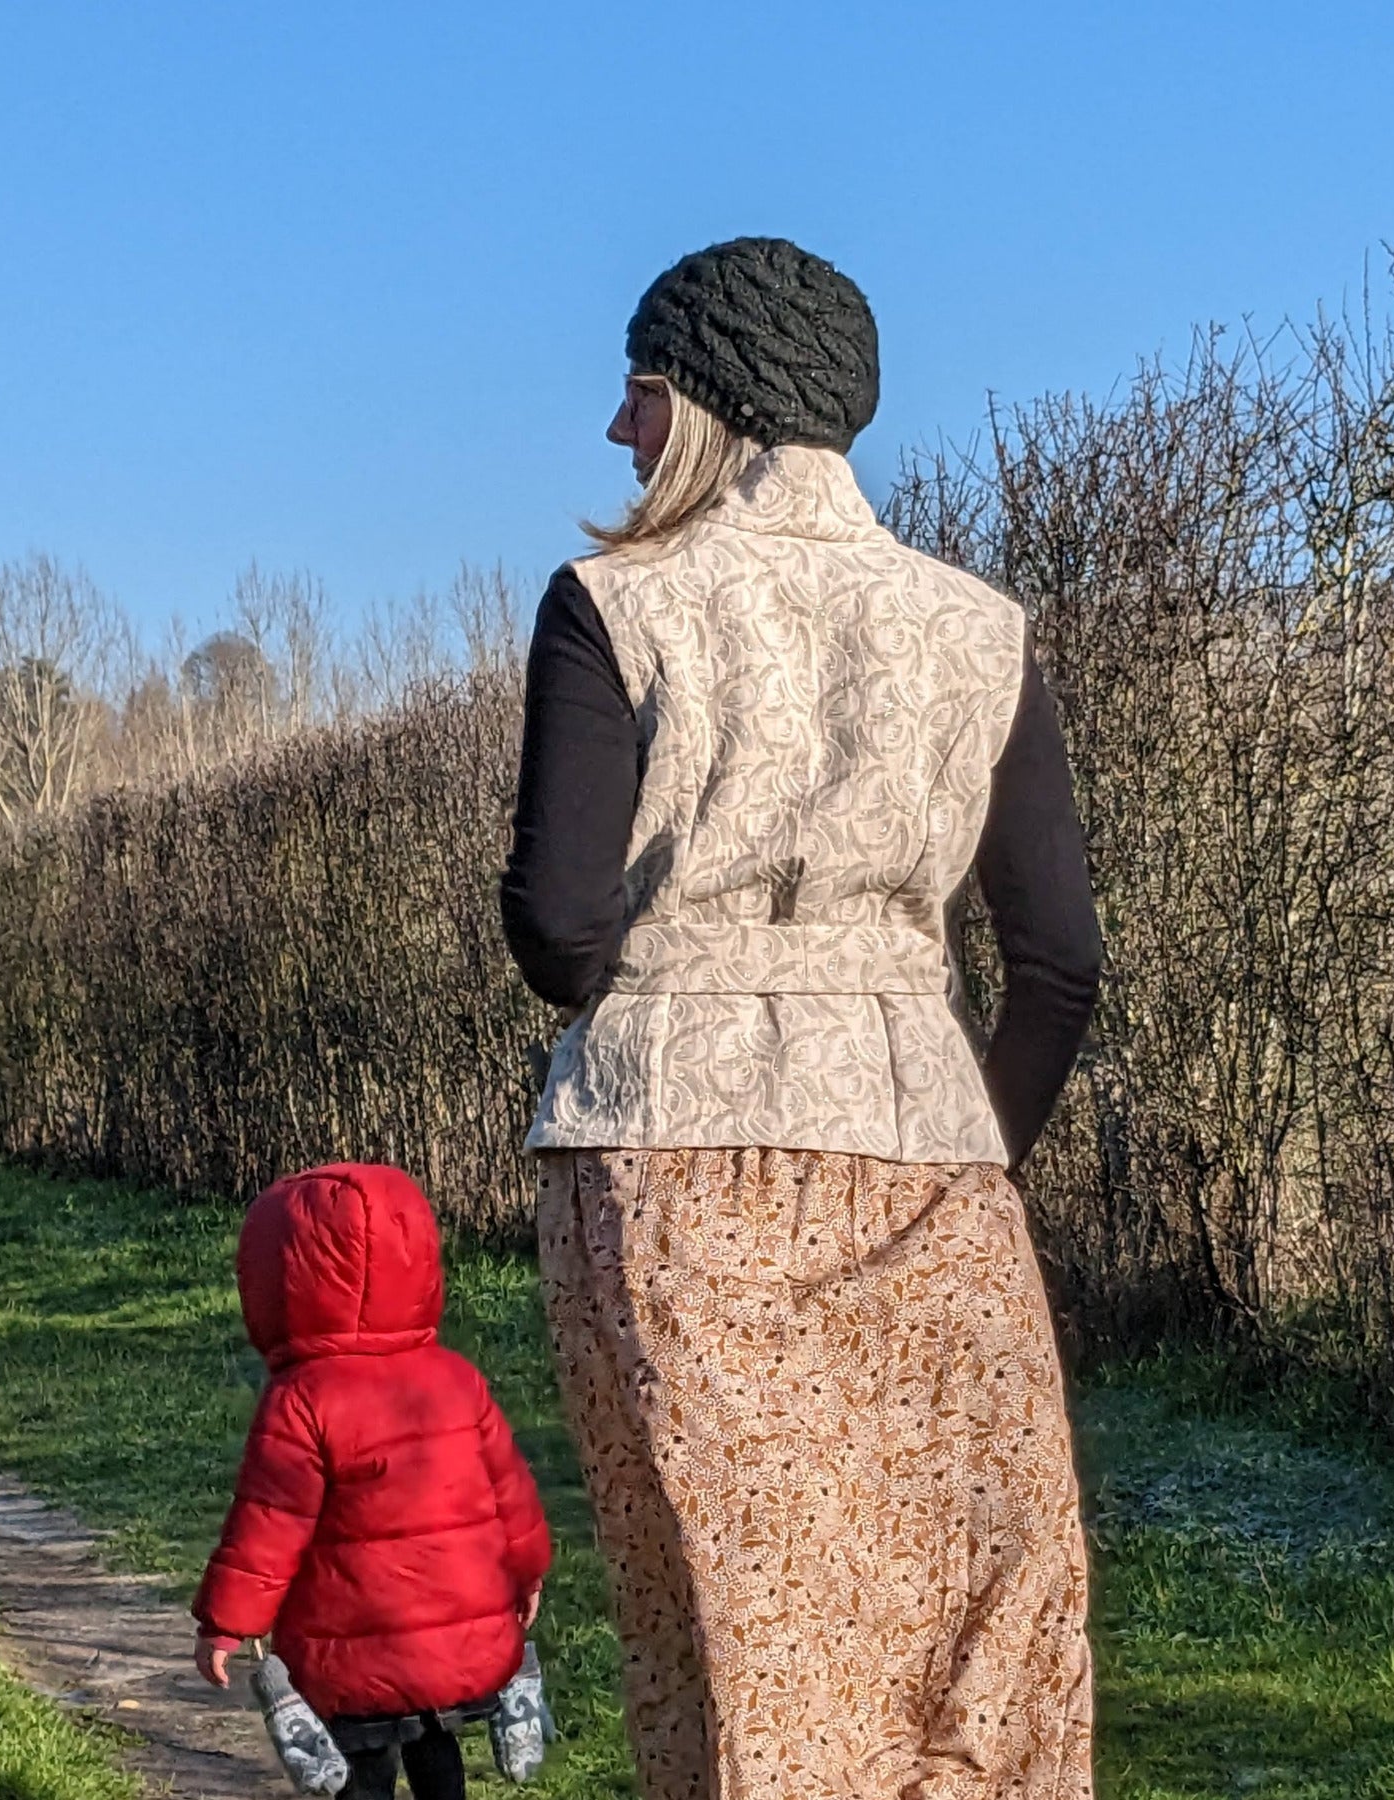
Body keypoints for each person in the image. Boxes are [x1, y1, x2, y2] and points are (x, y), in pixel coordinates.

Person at [500, 236, 1100, 1799]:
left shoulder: (612, 606)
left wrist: (674, 954)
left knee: (742, 1636)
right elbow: (1059, 968)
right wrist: (972, 1156)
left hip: (666, 1163)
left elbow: (562, 933)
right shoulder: (982, 629)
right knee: (976, 1629)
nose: (619, 432)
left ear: (705, 401)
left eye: (636, 390)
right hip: (929, 1167)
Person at [190, 1162, 553, 1800]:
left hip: (349, 1649)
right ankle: (515, 1690)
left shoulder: (301, 1398)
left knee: (364, 1771)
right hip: (455, 1642)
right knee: (436, 1751)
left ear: (278, 1282)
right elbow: (510, 1495)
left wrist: (226, 1621)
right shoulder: (454, 1380)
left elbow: (270, 1526)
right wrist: (527, 1572)